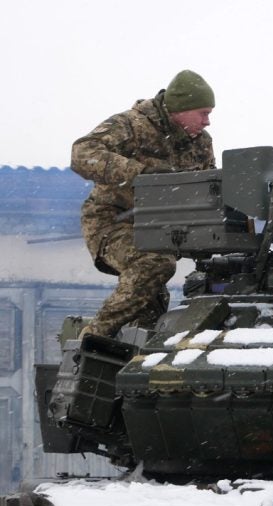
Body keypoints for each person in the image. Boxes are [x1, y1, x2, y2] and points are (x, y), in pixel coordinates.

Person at [72, 70, 216, 338]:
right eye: (203, 113)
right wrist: (140, 175)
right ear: (181, 109)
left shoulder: (201, 144)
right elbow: (82, 154)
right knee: (154, 264)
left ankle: (132, 355)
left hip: (162, 230)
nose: (207, 121)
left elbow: (206, 189)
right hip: (113, 222)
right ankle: (94, 335)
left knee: (151, 305)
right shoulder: (131, 125)